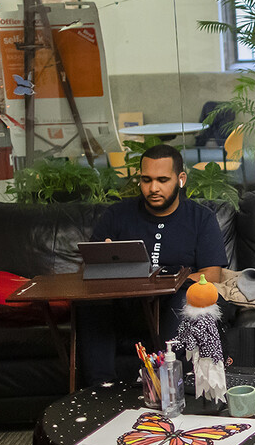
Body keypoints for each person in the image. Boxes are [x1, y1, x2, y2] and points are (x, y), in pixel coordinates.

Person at [75, 144, 227, 385]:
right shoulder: (116, 215)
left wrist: (165, 282)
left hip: (171, 302)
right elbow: (88, 268)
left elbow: (212, 275)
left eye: (162, 180)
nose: (153, 188)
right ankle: (100, 389)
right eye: (146, 180)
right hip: (124, 304)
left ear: (181, 179)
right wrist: (105, 259)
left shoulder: (201, 218)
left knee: (186, 297)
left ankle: (169, 386)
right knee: (92, 302)